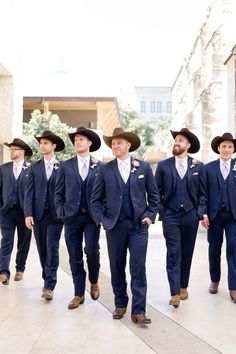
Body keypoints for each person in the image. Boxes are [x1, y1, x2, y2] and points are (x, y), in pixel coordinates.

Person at [91, 127, 159, 325]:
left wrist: (149, 216)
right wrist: (103, 220)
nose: (115, 145)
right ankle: (120, 302)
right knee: (117, 266)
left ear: (128, 145)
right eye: (113, 143)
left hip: (139, 226)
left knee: (138, 267)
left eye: (119, 142)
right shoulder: (104, 169)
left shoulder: (143, 167)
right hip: (115, 226)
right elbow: (95, 199)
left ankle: (139, 310)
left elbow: (154, 196)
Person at [155, 128, 206, 308]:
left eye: (181, 140)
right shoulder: (163, 165)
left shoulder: (198, 166)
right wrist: (162, 211)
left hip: (191, 215)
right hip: (171, 215)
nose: (177, 142)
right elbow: (156, 192)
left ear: (188, 145)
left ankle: (184, 285)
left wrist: (200, 212)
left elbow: (203, 193)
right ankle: (175, 292)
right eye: (176, 139)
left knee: (187, 252)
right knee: (173, 252)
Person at [55, 127, 102, 310]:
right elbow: (58, 193)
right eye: (76, 140)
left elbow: (105, 193)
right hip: (71, 218)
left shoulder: (100, 166)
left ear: (89, 143)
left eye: (81, 139)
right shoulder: (66, 166)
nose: (77, 142)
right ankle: (79, 293)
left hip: (91, 218)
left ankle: (94, 280)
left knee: (91, 251)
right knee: (75, 256)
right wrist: (61, 212)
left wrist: (101, 213)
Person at [24, 131, 65, 300]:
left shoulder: (63, 167)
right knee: (42, 250)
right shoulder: (34, 167)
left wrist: (65, 211)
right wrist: (28, 214)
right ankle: (46, 276)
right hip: (39, 215)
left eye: (46, 143)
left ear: (53, 146)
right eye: (41, 143)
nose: (42, 145)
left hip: (56, 216)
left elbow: (66, 191)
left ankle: (50, 285)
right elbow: (29, 192)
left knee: (52, 248)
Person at [201, 132, 236, 303]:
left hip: (233, 216)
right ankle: (215, 280)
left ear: (233, 149)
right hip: (214, 216)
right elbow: (203, 193)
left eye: (230, 146)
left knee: (234, 248)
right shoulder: (208, 168)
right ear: (218, 148)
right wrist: (203, 213)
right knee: (214, 248)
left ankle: (234, 286)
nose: (227, 149)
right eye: (224, 146)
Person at [0, 138, 32, 285]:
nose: (11, 151)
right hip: (6, 212)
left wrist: (30, 212)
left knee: (24, 242)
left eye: (14, 149)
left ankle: (20, 268)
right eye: (10, 149)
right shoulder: (3, 168)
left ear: (22, 152)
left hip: (25, 213)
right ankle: (4, 272)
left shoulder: (31, 169)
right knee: (6, 241)